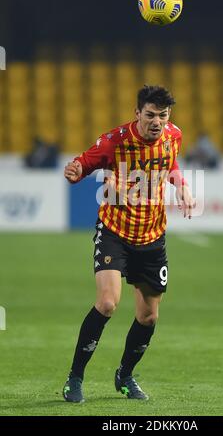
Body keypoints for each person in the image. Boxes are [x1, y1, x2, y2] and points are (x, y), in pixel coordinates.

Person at [63, 85, 194, 402]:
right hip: (114, 232)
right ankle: (75, 378)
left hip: (151, 237)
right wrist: (76, 170)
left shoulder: (173, 135)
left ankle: (124, 375)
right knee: (108, 303)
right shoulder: (115, 140)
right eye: (150, 115)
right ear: (137, 114)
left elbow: (171, 164)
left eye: (162, 116)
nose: (157, 122)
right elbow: (85, 162)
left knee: (149, 316)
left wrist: (182, 186)